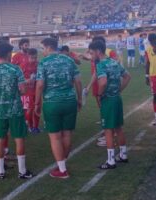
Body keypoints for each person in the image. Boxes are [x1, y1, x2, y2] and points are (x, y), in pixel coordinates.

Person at [35, 38, 82, 179]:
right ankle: (62, 164)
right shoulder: (69, 60)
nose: (42, 51)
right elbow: (78, 81)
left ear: (48, 47)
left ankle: (62, 170)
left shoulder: (43, 62)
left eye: (43, 48)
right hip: (69, 101)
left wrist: (37, 103)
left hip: (52, 103)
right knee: (67, 134)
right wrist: (79, 99)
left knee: (55, 137)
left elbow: (40, 85)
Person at [0, 42, 33, 180]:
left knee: (0, 139)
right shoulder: (15, 69)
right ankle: (22, 171)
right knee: (19, 139)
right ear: (7, 54)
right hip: (15, 110)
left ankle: (1, 172)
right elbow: (23, 90)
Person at [88, 40, 131, 169]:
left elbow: (102, 82)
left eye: (91, 53)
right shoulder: (114, 62)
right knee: (118, 128)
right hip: (117, 98)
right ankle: (123, 155)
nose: (91, 56)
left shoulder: (100, 65)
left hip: (108, 100)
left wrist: (100, 95)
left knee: (108, 130)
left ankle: (111, 161)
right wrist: (118, 90)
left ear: (98, 51)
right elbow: (127, 76)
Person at [82, 36, 118, 147]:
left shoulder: (107, 54)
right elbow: (95, 72)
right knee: (102, 108)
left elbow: (116, 64)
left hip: (105, 84)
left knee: (107, 110)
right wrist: (88, 86)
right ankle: (108, 133)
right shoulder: (96, 57)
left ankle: (110, 135)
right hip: (98, 82)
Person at [20, 48, 41, 134]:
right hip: (27, 91)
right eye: (32, 58)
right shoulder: (23, 65)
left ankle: (36, 127)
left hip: (37, 90)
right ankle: (30, 126)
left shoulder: (39, 64)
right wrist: (26, 80)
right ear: (28, 57)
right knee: (29, 109)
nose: (34, 60)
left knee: (38, 108)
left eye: (35, 57)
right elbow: (18, 79)